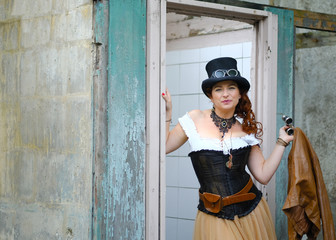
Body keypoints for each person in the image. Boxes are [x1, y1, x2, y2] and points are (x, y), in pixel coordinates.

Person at [161, 57, 294, 240]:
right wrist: (168, 112)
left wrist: (282, 141)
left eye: (231, 87)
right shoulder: (194, 119)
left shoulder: (246, 129)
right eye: (218, 89)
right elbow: (164, 146)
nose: (225, 94)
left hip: (252, 212)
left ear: (240, 93)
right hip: (214, 216)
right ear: (210, 95)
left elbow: (263, 175)